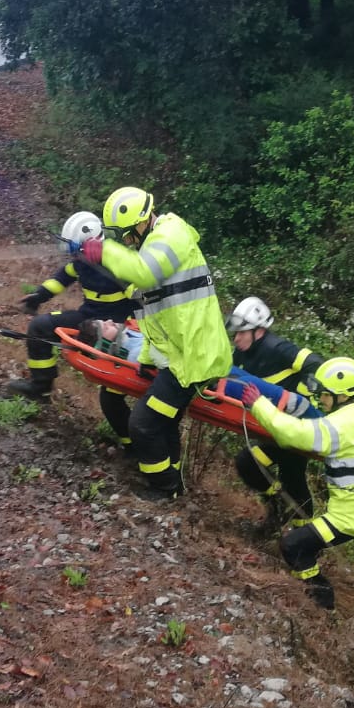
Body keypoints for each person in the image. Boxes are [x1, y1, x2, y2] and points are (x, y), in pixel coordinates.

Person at [236, 357, 354, 648]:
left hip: (351, 517)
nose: (320, 397)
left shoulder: (337, 427)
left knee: (293, 546)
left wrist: (259, 404)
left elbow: (293, 433)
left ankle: (321, 597)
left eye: (325, 392)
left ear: (342, 395)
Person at [80, 186, 233, 499]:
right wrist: (147, 358)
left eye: (123, 234)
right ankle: (173, 485)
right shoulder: (149, 246)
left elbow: (146, 274)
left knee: (143, 425)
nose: (122, 241)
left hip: (194, 359)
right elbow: (154, 319)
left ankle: (163, 488)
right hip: (179, 357)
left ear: (140, 223)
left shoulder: (170, 235)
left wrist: (106, 252)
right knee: (163, 423)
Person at [10, 210, 137, 443]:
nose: (72, 255)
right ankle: (41, 388)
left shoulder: (122, 265)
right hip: (87, 318)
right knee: (40, 326)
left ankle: (131, 445)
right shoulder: (81, 264)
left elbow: (142, 297)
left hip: (118, 331)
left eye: (75, 249)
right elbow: (61, 279)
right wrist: (38, 296)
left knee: (111, 397)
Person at [225, 296, 326, 532]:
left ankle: (290, 522)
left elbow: (315, 364)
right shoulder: (242, 353)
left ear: (259, 331)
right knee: (292, 477)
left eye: (242, 333)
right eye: (235, 334)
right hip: (272, 424)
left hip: (296, 425)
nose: (237, 338)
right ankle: (292, 524)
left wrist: (302, 396)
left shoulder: (278, 348)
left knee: (251, 462)